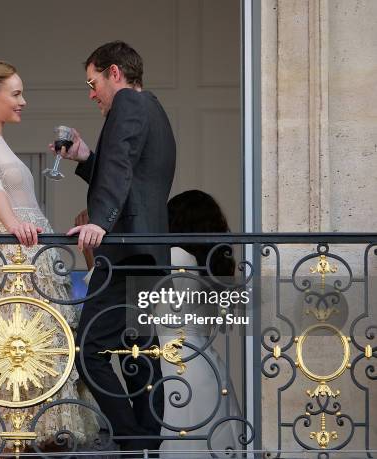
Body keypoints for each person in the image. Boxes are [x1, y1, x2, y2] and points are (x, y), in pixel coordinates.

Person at [0, 60, 98, 452]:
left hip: (32, 250)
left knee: (48, 347)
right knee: (22, 350)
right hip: (14, 251)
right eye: (16, 93)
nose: (23, 101)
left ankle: (44, 435)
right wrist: (13, 223)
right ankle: (18, 437)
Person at [59, 41, 176, 452]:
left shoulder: (127, 101)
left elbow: (123, 166)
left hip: (126, 253)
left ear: (115, 73)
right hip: (144, 252)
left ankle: (134, 442)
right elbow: (131, 178)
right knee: (138, 350)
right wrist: (86, 157)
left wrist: (97, 222)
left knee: (89, 350)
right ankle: (146, 443)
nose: (92, 93)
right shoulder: (154, 109)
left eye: (93, 83)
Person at [159, 190, 240, 456]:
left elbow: (130, 302)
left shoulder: (177, 258)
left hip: (178, 366)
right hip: (204, 362)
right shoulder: (204, 265)